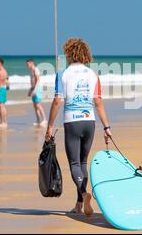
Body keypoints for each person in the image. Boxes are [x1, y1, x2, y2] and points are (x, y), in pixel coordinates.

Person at [45, 38, 112, 216]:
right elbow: (98, 102)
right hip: (89, 122)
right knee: (83, 162)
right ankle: (79, 204)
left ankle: (83, 193)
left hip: (72, 122)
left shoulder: (63, 74)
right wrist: (107, 127)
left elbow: (58, 100)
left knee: (74, 163)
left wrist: (49, 127)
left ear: (69, 53)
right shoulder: (93, 75)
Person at [26, 58, 47, 126]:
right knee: (35, 105)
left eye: (28, 64)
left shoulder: (36, 69)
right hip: (33, 88)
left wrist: (35, 89)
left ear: (31, 63)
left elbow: (38, 80)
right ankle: (38, 120)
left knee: (38, 104)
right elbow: (32, 81)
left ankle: (44, 119)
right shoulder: (31, 71)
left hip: (38, 88)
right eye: (26, 64)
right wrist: (30, 89)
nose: (27, 65)